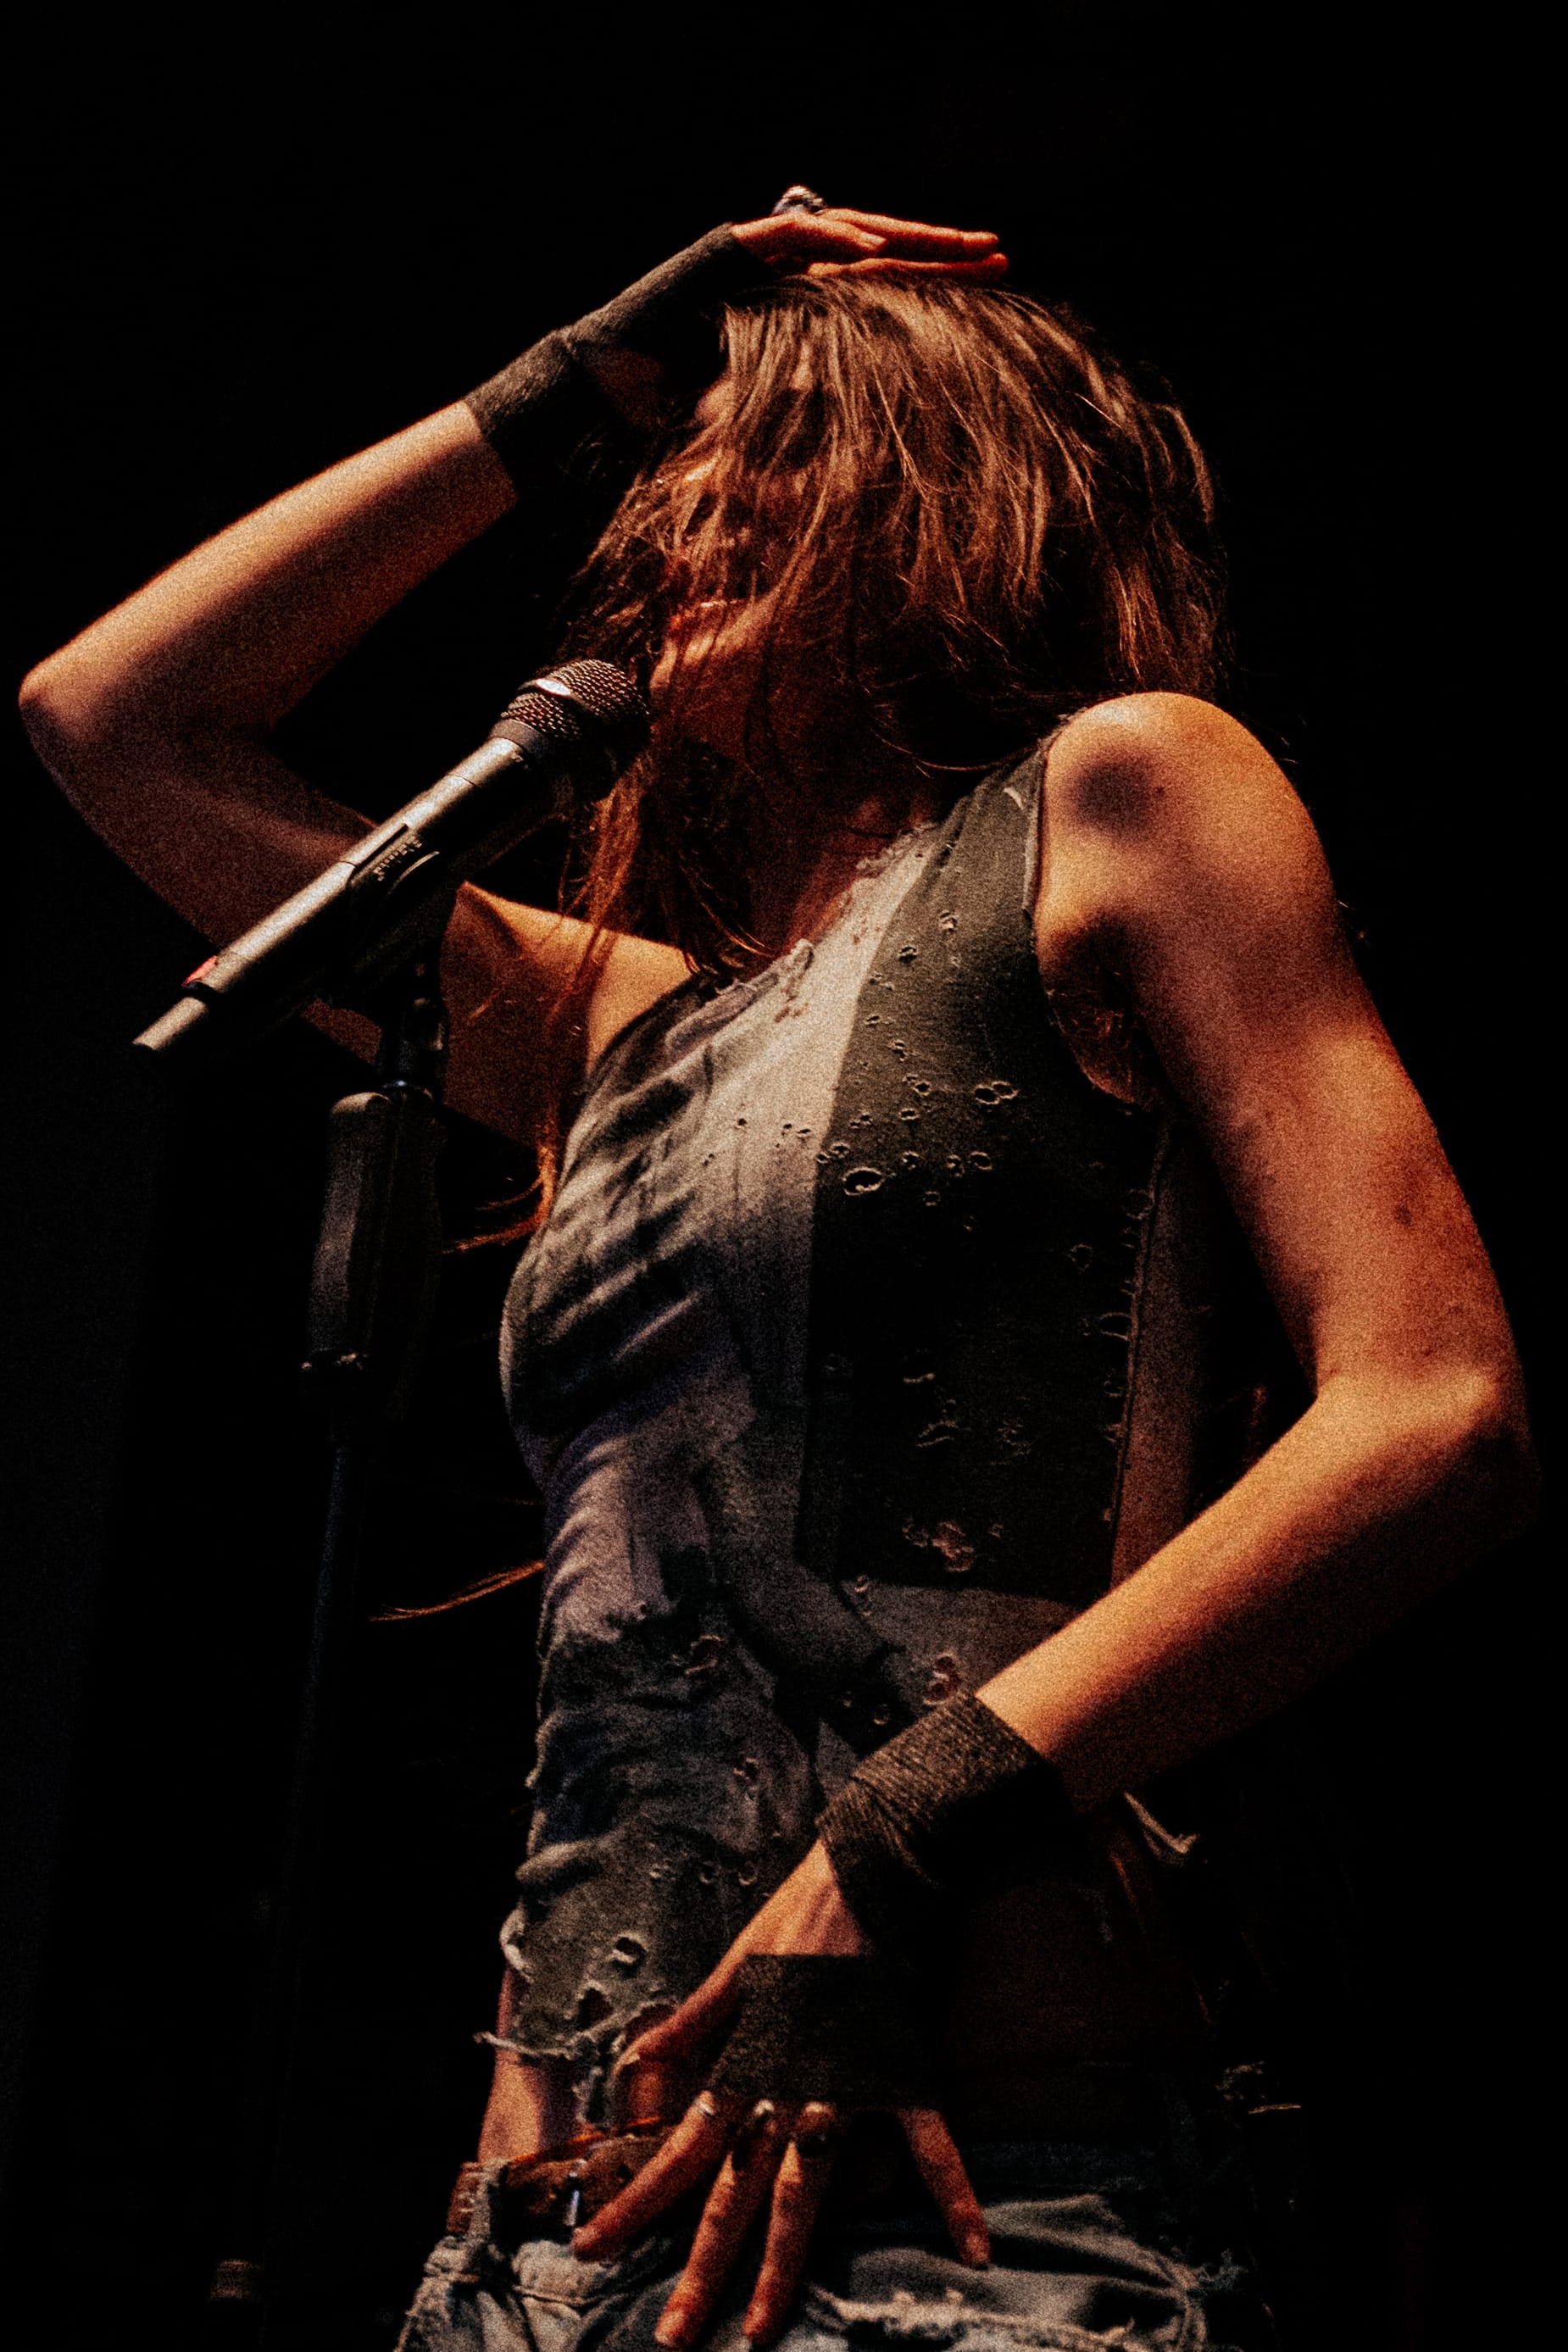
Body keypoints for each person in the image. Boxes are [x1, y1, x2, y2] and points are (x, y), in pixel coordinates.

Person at [20, 196, 1535, 2352]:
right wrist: (556, 384)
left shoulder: (1126, 792)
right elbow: (116, 719)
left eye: (773, 453)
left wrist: (896, 1833)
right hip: (552, 2233)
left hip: (971, 2201)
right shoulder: (623, 1025)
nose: (682, 511)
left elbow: (1432, 1408)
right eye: (672, 470)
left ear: (953, 491)